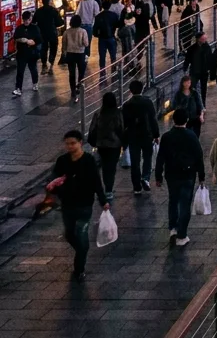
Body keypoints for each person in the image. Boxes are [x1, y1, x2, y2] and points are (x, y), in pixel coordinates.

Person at [48, 129, 110, 280]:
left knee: (81, 234)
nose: (70, 147)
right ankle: (82, 251)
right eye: (67, 144)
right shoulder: (62, 161)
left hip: (84, 205)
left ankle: (79, 269)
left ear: (80, 143)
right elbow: (54, 179)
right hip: (67, 204)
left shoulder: (88, 160)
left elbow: (96, 181)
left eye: (73, 143)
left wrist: (103, 200)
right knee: (69, 234)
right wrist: (54, 186)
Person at [155, 108, 206, 247]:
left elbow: (161, 158)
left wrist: (158, 176)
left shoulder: (166, 137)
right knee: (185, 204)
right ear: (187, 120)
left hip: (171, 174)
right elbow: (199, 157)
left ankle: (173, 228)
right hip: (188, 174)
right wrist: (201, 176)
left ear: (173, 120)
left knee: (173, 200)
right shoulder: (191, 136)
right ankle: (182, 235)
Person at [122, 79, 160, 195]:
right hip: (146, 135)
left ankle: (137, 187)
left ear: (130, 90)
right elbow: (153, 119)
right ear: (142, 89)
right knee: (147, 157)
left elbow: (124, 124)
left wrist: (124, 141)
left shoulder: (127, 105)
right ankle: (146, 178)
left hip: (133, 136)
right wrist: (156, 134)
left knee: (135, 161)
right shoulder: (147, 102)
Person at [87, 92, 124, 199]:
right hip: (114, 144)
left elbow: (92, 129)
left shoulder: (98, 113)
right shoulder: (118, 113)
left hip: (101, 145)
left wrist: (93, 142)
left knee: (105, 166)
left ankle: (107, 187)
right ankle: (109, 189)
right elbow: (121, 129)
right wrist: (124, 142)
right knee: (111, 167)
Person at [12, 9, 41, 96]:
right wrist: (22, 40)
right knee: (20, 71)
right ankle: (18, 88)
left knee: (33, 69)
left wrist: (33, 42)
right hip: (21, 53)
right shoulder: (19, 28)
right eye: (25, 20)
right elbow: (15, 37)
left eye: (28, 20)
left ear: (30, 19)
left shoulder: (35, 28)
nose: (26, 22)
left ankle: (35, 83)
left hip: (32, 53)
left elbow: (39, 39)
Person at [63, 15, 89, 102]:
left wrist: (64, 53)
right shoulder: (83, 31)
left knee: (72, 73)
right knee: (81, 72)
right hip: (80, 54)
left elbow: (64, 45)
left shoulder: (66, 32)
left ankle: (73, 91)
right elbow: (86, 44)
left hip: (70, 54)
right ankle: (79, 87)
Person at [35, 0, 62, 75]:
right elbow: (59, 23)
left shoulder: (38, 11)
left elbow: (34, 21)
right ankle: (51, 64)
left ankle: (44, 65)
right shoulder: (54, 10)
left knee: (44, 49)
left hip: (42, 33)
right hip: (52, 33)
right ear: (50, 1)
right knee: (53, 48)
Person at [172, 74, 205, 139]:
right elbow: (174, 106)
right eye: (186, 83)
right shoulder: (178, 94)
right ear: (182, 83)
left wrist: (201, 116)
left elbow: (200, 105)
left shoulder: (194, 93)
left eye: (189, 83)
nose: (188, 84)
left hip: (195, 118)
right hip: (184, 120)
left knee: (196, 135)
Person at [93, 0, 119, 77]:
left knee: (102, 56)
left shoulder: (98, 17)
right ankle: (114, 71)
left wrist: (97, 35)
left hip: (102, 39)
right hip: (111, 37)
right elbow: (117, 25)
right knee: (113, 55)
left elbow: (95, 29)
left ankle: (102, 72)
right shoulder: (114, 15)